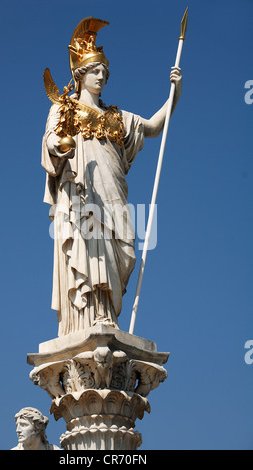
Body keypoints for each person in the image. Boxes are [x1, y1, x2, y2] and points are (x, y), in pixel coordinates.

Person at [41, 18, 182, 337]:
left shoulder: (118, 117)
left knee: (124, 248)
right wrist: (59, 147)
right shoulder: (65, 109)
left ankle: (107, 314)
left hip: (114, 195)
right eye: (96, 71)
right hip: (82, 195)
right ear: (80, 75)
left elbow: (154, 126)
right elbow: (50, 139)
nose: (102, 76)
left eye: (105, 72)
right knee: (89, 245)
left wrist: (174, 93)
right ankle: (90, 317)